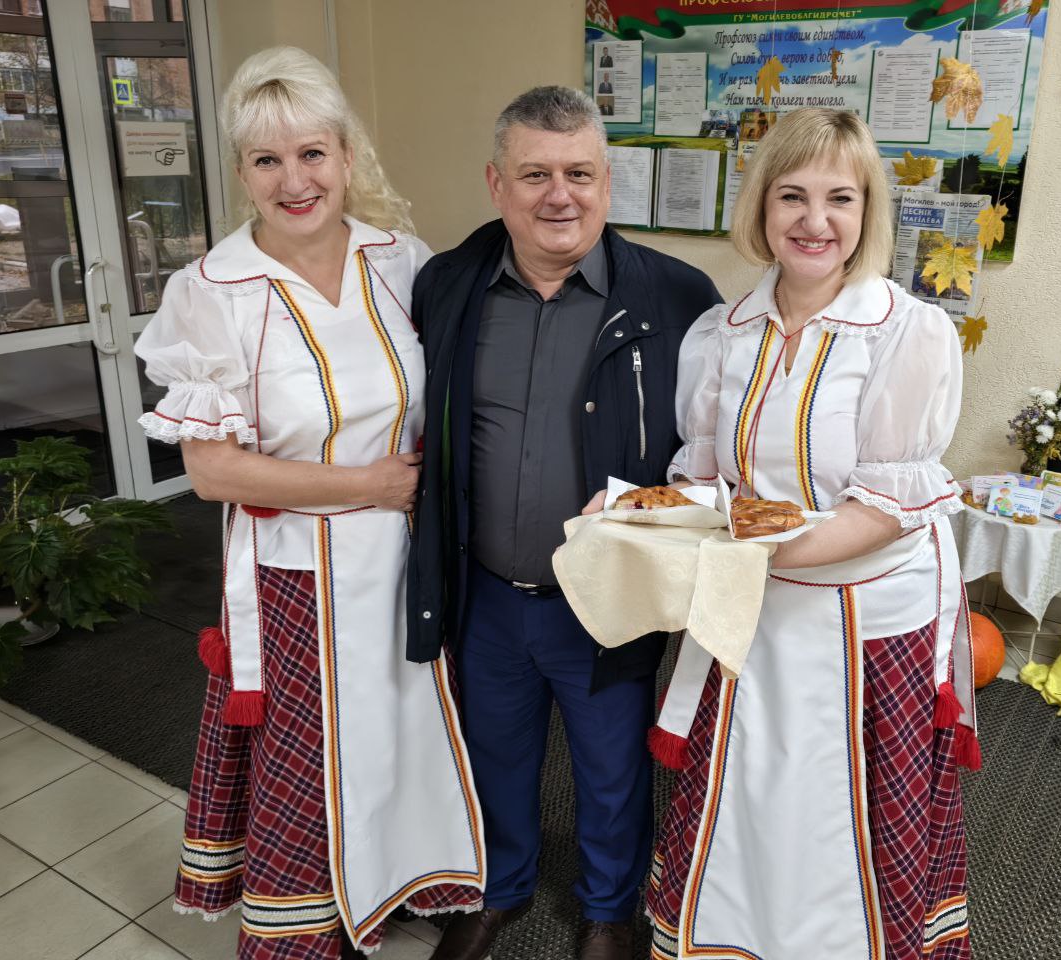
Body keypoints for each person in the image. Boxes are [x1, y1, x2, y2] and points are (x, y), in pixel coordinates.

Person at [135, 47, 485, 960]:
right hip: (294, 574)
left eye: (312, 154)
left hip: (406, 561)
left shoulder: (400, 261)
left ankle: (390, 885)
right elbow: (214, 473)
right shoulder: (208, 292)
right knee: (308, 754)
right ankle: (303, 923)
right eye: (267, 160)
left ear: (346, 154)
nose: (294, 181)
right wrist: (369, 485)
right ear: (241, 172)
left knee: (399, 729)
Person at [645, 108, 979, 960]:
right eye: (791, 195)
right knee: (754, 792)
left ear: (868, 212)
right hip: (750, 608)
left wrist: (741, 555)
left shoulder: (909, 333)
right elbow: (704, 475)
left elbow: (885, 506)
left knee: (840, 806)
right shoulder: (721, 334)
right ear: (761, 206)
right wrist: (647, 518)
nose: (814, 220)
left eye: (840, 198)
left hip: (865, 621)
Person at [407, 85, 721, 960]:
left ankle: (609, 911)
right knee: (494, 751)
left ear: (607, 182)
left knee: (611, 765)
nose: (560, 196)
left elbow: (710, 450)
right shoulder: (448, 285)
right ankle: (497, 888)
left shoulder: (679, 297)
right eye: (534, 174)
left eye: (580, 173)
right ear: (495, 184)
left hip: (604, 599)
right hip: (484, 590)